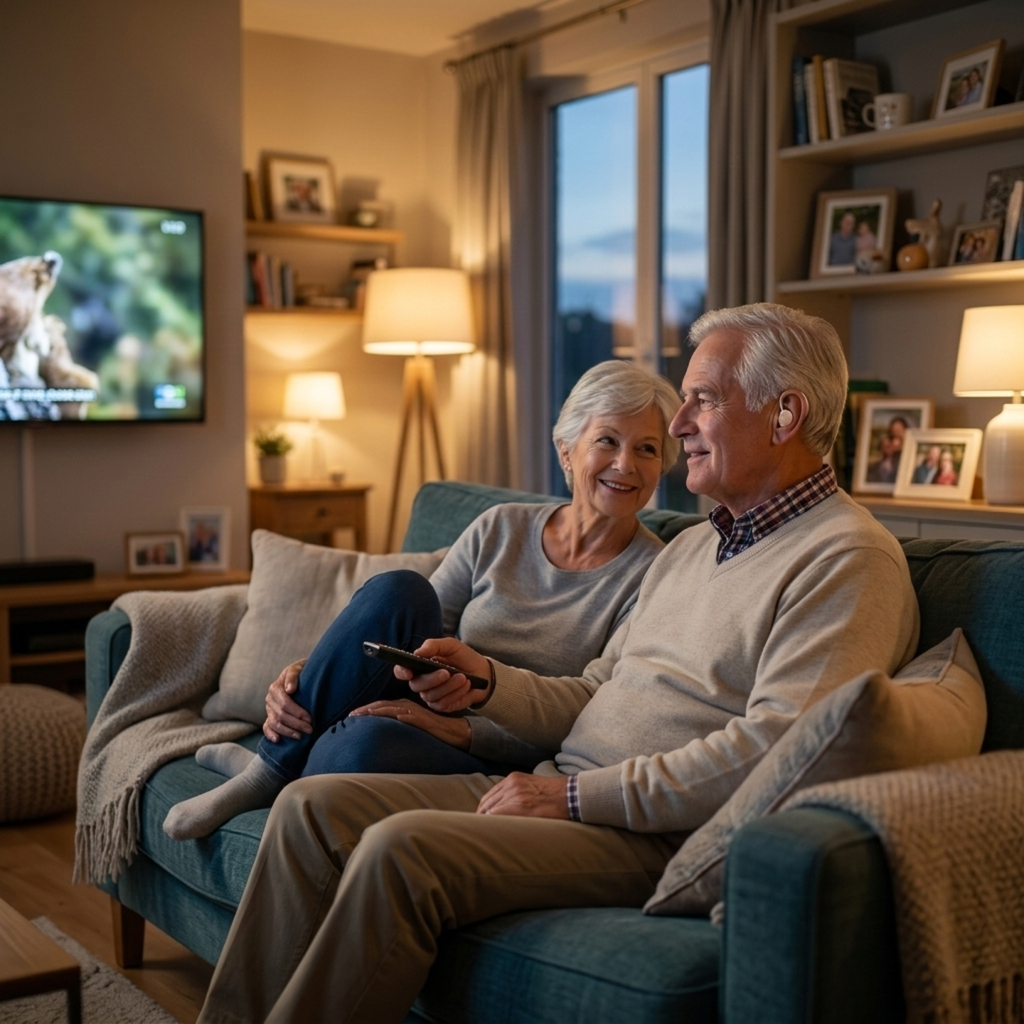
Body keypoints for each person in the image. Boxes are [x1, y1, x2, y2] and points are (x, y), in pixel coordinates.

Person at [197, 303, 920, 1024]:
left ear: (785, 414)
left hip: (642, 832)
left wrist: (576, 797)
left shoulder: (846, 560)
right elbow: (600, 689)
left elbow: (778, 751)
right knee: (307, 808)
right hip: (556, 786)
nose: (678, 425)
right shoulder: (704, 544)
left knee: (397, 850)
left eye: (702, 399)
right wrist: (487, 683)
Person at [163, 359, 681, 840]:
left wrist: (462, 732)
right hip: (421, 703)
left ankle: (274, 770)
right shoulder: (501, 527)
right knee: (400, 588)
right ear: (567, 450)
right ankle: (268, 771)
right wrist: (309, 672)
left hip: (492, 754)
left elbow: (594, 713)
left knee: (362, 742)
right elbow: (402, 626)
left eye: (647, 449)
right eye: (607, 440)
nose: (625, 464)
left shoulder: (656, 574)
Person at [865, 415, 908, 484]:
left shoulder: (908, 446)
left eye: (899, 429)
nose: (896, 431)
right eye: (894, 429)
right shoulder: (886, 443)